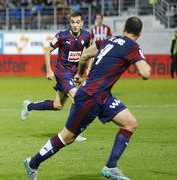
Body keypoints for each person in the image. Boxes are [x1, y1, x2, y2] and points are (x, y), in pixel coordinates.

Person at [24, 17, 151, 180]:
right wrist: (142, 61)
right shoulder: (132, 46)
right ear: (140, 33)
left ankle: (111, 167)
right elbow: (145, 73)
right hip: (91, 96)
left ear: (124, 27)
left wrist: (79, 74)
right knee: (67, 137)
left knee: (130, 123)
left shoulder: (108, 40)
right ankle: (33, 163)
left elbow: (84, 56)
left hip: (103, 96)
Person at [21, 11, 91, 141]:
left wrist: (87, 70)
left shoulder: (86, 36)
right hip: (62, 72)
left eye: (77, 22)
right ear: (69, 22)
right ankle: (74, 132)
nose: (75, 25)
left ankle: (29, 106)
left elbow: (89, 54)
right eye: (72, 22)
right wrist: (49, 70)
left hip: (74, 73)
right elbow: (48, 51)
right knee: (78, 99)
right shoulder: (62, 36)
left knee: (58, 105)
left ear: (82, 23)